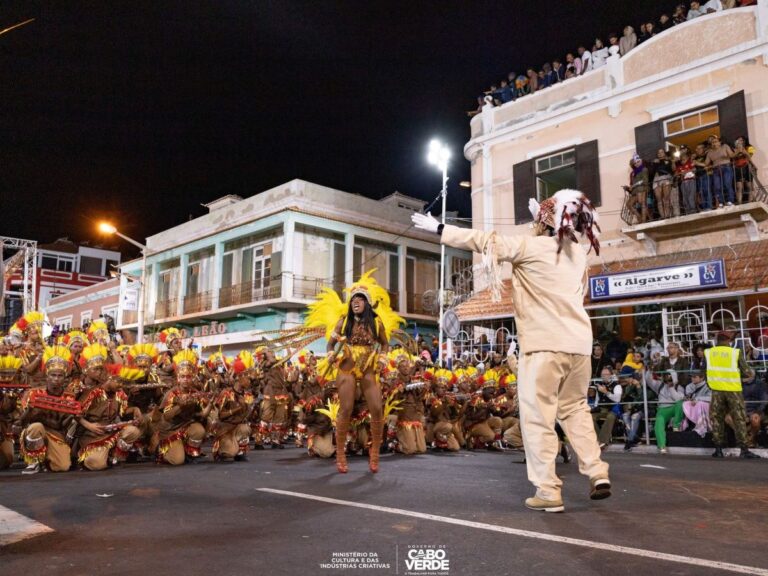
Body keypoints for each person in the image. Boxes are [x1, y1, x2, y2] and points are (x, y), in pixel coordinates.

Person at [413, 188, 610, 513]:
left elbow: (486, 241)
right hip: (579, 345)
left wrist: (440, 229)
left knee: (537, 419)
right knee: (575, 409)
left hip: (544, 345)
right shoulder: (577, 255)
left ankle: (548, 490)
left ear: (544, 222)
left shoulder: (532, 246)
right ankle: (597, 470)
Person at [305, 270, 403, 473]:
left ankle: (374, 453)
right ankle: (340, 455)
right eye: (353, 300)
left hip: (368, 369)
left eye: (360, 299)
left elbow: (385, 344)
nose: (355, 302)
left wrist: (384, 358)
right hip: (347, 368)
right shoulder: (343, 322)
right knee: (346, 409)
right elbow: (330, 345)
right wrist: (331, 354)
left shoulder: (376, 322)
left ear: (367, 303)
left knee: (377, 408)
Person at [705, 331, 760, 458]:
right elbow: (747, 372)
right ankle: (744, 450)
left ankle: (718, 450)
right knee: (739, 418)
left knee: (717, 419)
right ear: (729, 340)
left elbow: (704, 372)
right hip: (733, 390)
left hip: (716, 390)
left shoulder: (709, 353)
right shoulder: (735, 352)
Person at [647, 369, 685, 454]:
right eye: (665, 375)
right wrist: (649, 370)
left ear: (674, 377)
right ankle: (662, 446)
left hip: (674, 407)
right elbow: (648, 380)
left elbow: (678, 399)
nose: (667, 378)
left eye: (669, 376)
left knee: (680, 403)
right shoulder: (659, 385)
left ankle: (676, 425)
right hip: (662, 409)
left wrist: (671, 387)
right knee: (659, 422)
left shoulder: (679, 387)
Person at [706, 134, 736, 205]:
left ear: (719, 142)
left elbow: (732, 155)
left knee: (727, 184)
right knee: (717, 187)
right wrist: (695, 162)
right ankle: (721, 202)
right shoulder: (710, 152)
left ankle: (730, 200)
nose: (714, 143)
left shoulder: (725, 146)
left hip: (726, 167)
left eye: (716, 141)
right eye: (713, 142)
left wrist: (738, 151)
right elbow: (706, 163)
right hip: (716, 169)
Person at [683, 370, 711, 437]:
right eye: (692, 377)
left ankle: (701, 426)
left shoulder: (708, 386)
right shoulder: (689, 386)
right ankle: (685, 426)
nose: (692, 378)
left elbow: (710, 398)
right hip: (692, 406)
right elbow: (688, 396)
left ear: (702, 378)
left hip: (705, 407)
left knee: (700, 404)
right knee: (685, 403)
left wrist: (697, 399)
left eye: (695, 377)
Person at [652, 148, 675, 219]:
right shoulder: (655, 162)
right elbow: (653, 172)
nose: (660, 154)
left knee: (666, 198)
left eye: (662, 152)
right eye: (658, 152)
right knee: (659, 199)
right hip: (657, 180)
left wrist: (673, 161)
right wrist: (655, 163)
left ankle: (667, 215)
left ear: (664, 153)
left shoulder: (669, 161)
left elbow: (673, 170)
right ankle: (663, 216)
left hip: (666, 178)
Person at [732, 136, 755, 204]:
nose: (740, 142)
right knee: (739, 187)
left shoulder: (748, 148)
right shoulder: (733, 149)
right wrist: (738, 151)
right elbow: (731, 156)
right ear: (735, 142)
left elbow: (749, 157)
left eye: (742, 140)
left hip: (746, 167)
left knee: (750, 186)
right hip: (737, 169)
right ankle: (739, 203)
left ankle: (750, 202)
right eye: (738, 141)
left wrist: (744, 151)